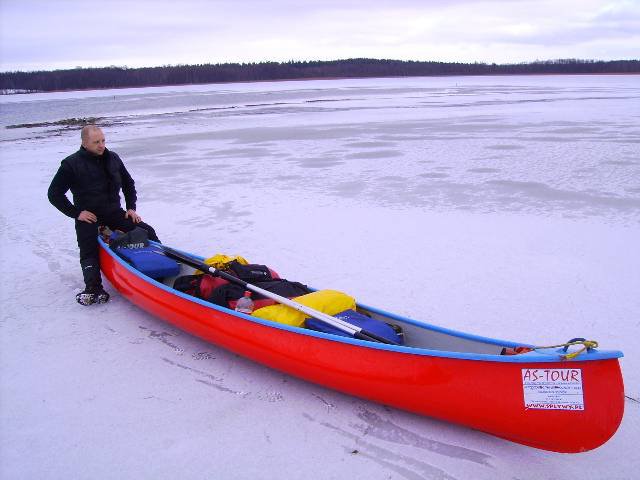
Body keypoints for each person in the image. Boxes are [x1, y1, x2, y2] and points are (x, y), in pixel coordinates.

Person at [48, 125, 160, 306]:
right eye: (96, 142)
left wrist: (131, 208)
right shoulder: (71, 164)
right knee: (89, 249)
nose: (101, 146)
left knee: (147, 231)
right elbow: (54, 194)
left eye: (103, 141)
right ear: (84, 143)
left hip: (114, 212)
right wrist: (77, 213)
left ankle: (157, 267)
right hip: (90, 216)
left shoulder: (113, 158)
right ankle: (93, 287)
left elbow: (128, 184)